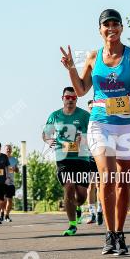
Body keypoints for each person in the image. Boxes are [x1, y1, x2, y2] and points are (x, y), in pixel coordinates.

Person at [60, 8, 130, 255]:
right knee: (108, 175)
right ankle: (109, 234)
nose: (111, 28)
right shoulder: (94, 57)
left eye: (116, 24)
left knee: (124, 182)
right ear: (100, 29)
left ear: (122, 28)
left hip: (126, 125)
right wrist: (71, 67)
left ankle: (120, 234)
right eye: (106, 25)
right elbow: (81, 90)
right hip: (100, 123)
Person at [43, 87, 92, 236]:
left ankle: (77, 207)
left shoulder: (85, 115)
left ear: (76, 99)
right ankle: (72, 225)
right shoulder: (55, 116)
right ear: (62, 98)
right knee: (69, 186)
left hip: (82, 158)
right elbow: (46, 134)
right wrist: (48, 139)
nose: (70, 100)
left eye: (73, 98)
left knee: (82, 195)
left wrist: (84, 138)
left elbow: (94, 133)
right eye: (67, 97)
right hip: (63, 158)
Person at [85, 99, 103, 226]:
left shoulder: (102, 120)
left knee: (99, 185)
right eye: (90, 108)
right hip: (88, 157)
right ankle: (92, 213)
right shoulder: (84, 122)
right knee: (90, 186)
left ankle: (100, 210)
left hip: (100, 155)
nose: (92, 109)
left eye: (93, 107)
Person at [4, 144, 19, 222]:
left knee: (10, 200)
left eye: (9, 149)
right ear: (5, 150)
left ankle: (7, 215)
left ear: (11, 150)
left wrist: (15, 168)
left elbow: (17, 170)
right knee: (3, 200)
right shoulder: (2, 159)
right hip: (3, 182)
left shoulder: (14, 159)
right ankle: (1, 213)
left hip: (11, 182)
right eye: (7, 149)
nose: (8, 150)